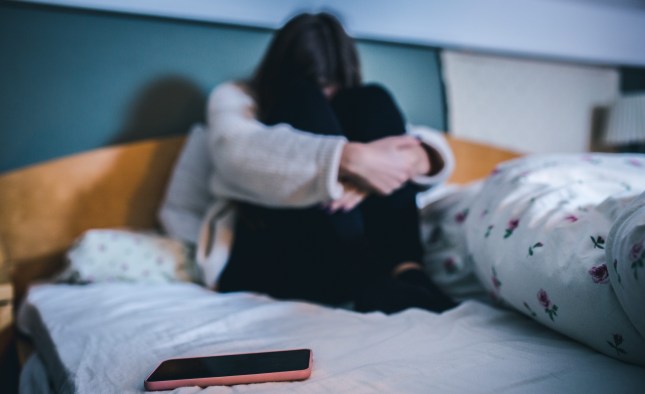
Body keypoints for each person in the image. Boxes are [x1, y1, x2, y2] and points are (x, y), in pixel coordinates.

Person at [199, 12, 457, 313]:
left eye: (331, 87)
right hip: (271, 255)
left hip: (353, 263)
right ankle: (373, 280)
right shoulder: (236, 96)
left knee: (373, 99)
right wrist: (349, 161)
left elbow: (432, 152)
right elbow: (236, 152)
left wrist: (400, 162)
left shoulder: (354, 105)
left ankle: (409, 271)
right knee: (301, 100)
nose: (326, 96)